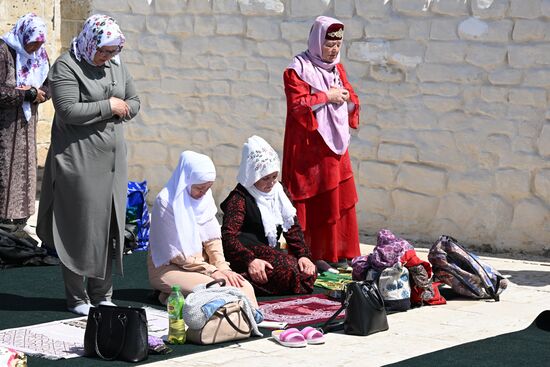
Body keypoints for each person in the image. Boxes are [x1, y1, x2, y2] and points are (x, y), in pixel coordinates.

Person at [36, 14, 140, 315]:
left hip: (113, 164)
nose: (107, 57)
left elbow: (134, 101)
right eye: (103, 51)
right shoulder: (66, 66)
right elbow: (68, 110)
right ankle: (78, 297)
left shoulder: (116, 66)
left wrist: (124, 107)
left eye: (113, 51)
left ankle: (103, 294)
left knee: (109, 227)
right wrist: (109, 106)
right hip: (78, 161)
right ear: (90, 40)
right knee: (80, 227)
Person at [282, 16, 361, 269]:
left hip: (335, 146)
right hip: (309, 148)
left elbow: (350, 95)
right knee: (313, 199)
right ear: (317, 42)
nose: (333, 51)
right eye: (329, 45)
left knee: (336, 198)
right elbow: (297, 105)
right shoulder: (297, 70)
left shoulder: (338, 68)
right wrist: (326, 96)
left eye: (338, 46)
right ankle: (312, 255)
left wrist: (348, 97)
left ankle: (338, 253)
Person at [148, 151, 258, 308]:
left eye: (208, 188)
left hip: (202, 267)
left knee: (242, 285)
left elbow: (212, 238)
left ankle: (252, 319)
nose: (204, 193)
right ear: (186, 181)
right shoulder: (166, 202)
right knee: (219, 288)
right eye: (200, 188)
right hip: (169, 268)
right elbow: (175, 254)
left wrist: (223, 268)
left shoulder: (204, 197)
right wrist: (212, 272)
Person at [221, 135, 317, 296]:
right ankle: (233, 282)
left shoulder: (279, 191)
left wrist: (303, 256)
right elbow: (229, 237)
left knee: (307, 272)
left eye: (274, 176)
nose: (271, 182)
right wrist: (250, 260)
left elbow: (292, 227)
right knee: (289, 271)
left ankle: (241, 283)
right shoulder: (239, 197)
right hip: (244, 253)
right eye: (265, 178)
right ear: (253, 175)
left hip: (268, 251)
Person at [0, 13, 49, 234]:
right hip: (5, 125)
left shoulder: (41, 53)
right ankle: (3, 219)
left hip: (27, 124)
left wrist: (41, 94)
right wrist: (28, 94)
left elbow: (48, 83)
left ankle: (19, 219)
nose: (35, 48)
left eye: (39, 44)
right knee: (5, 166)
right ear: (23, 35)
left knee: (26, 168)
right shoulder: (4, 51)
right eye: (32, 43)